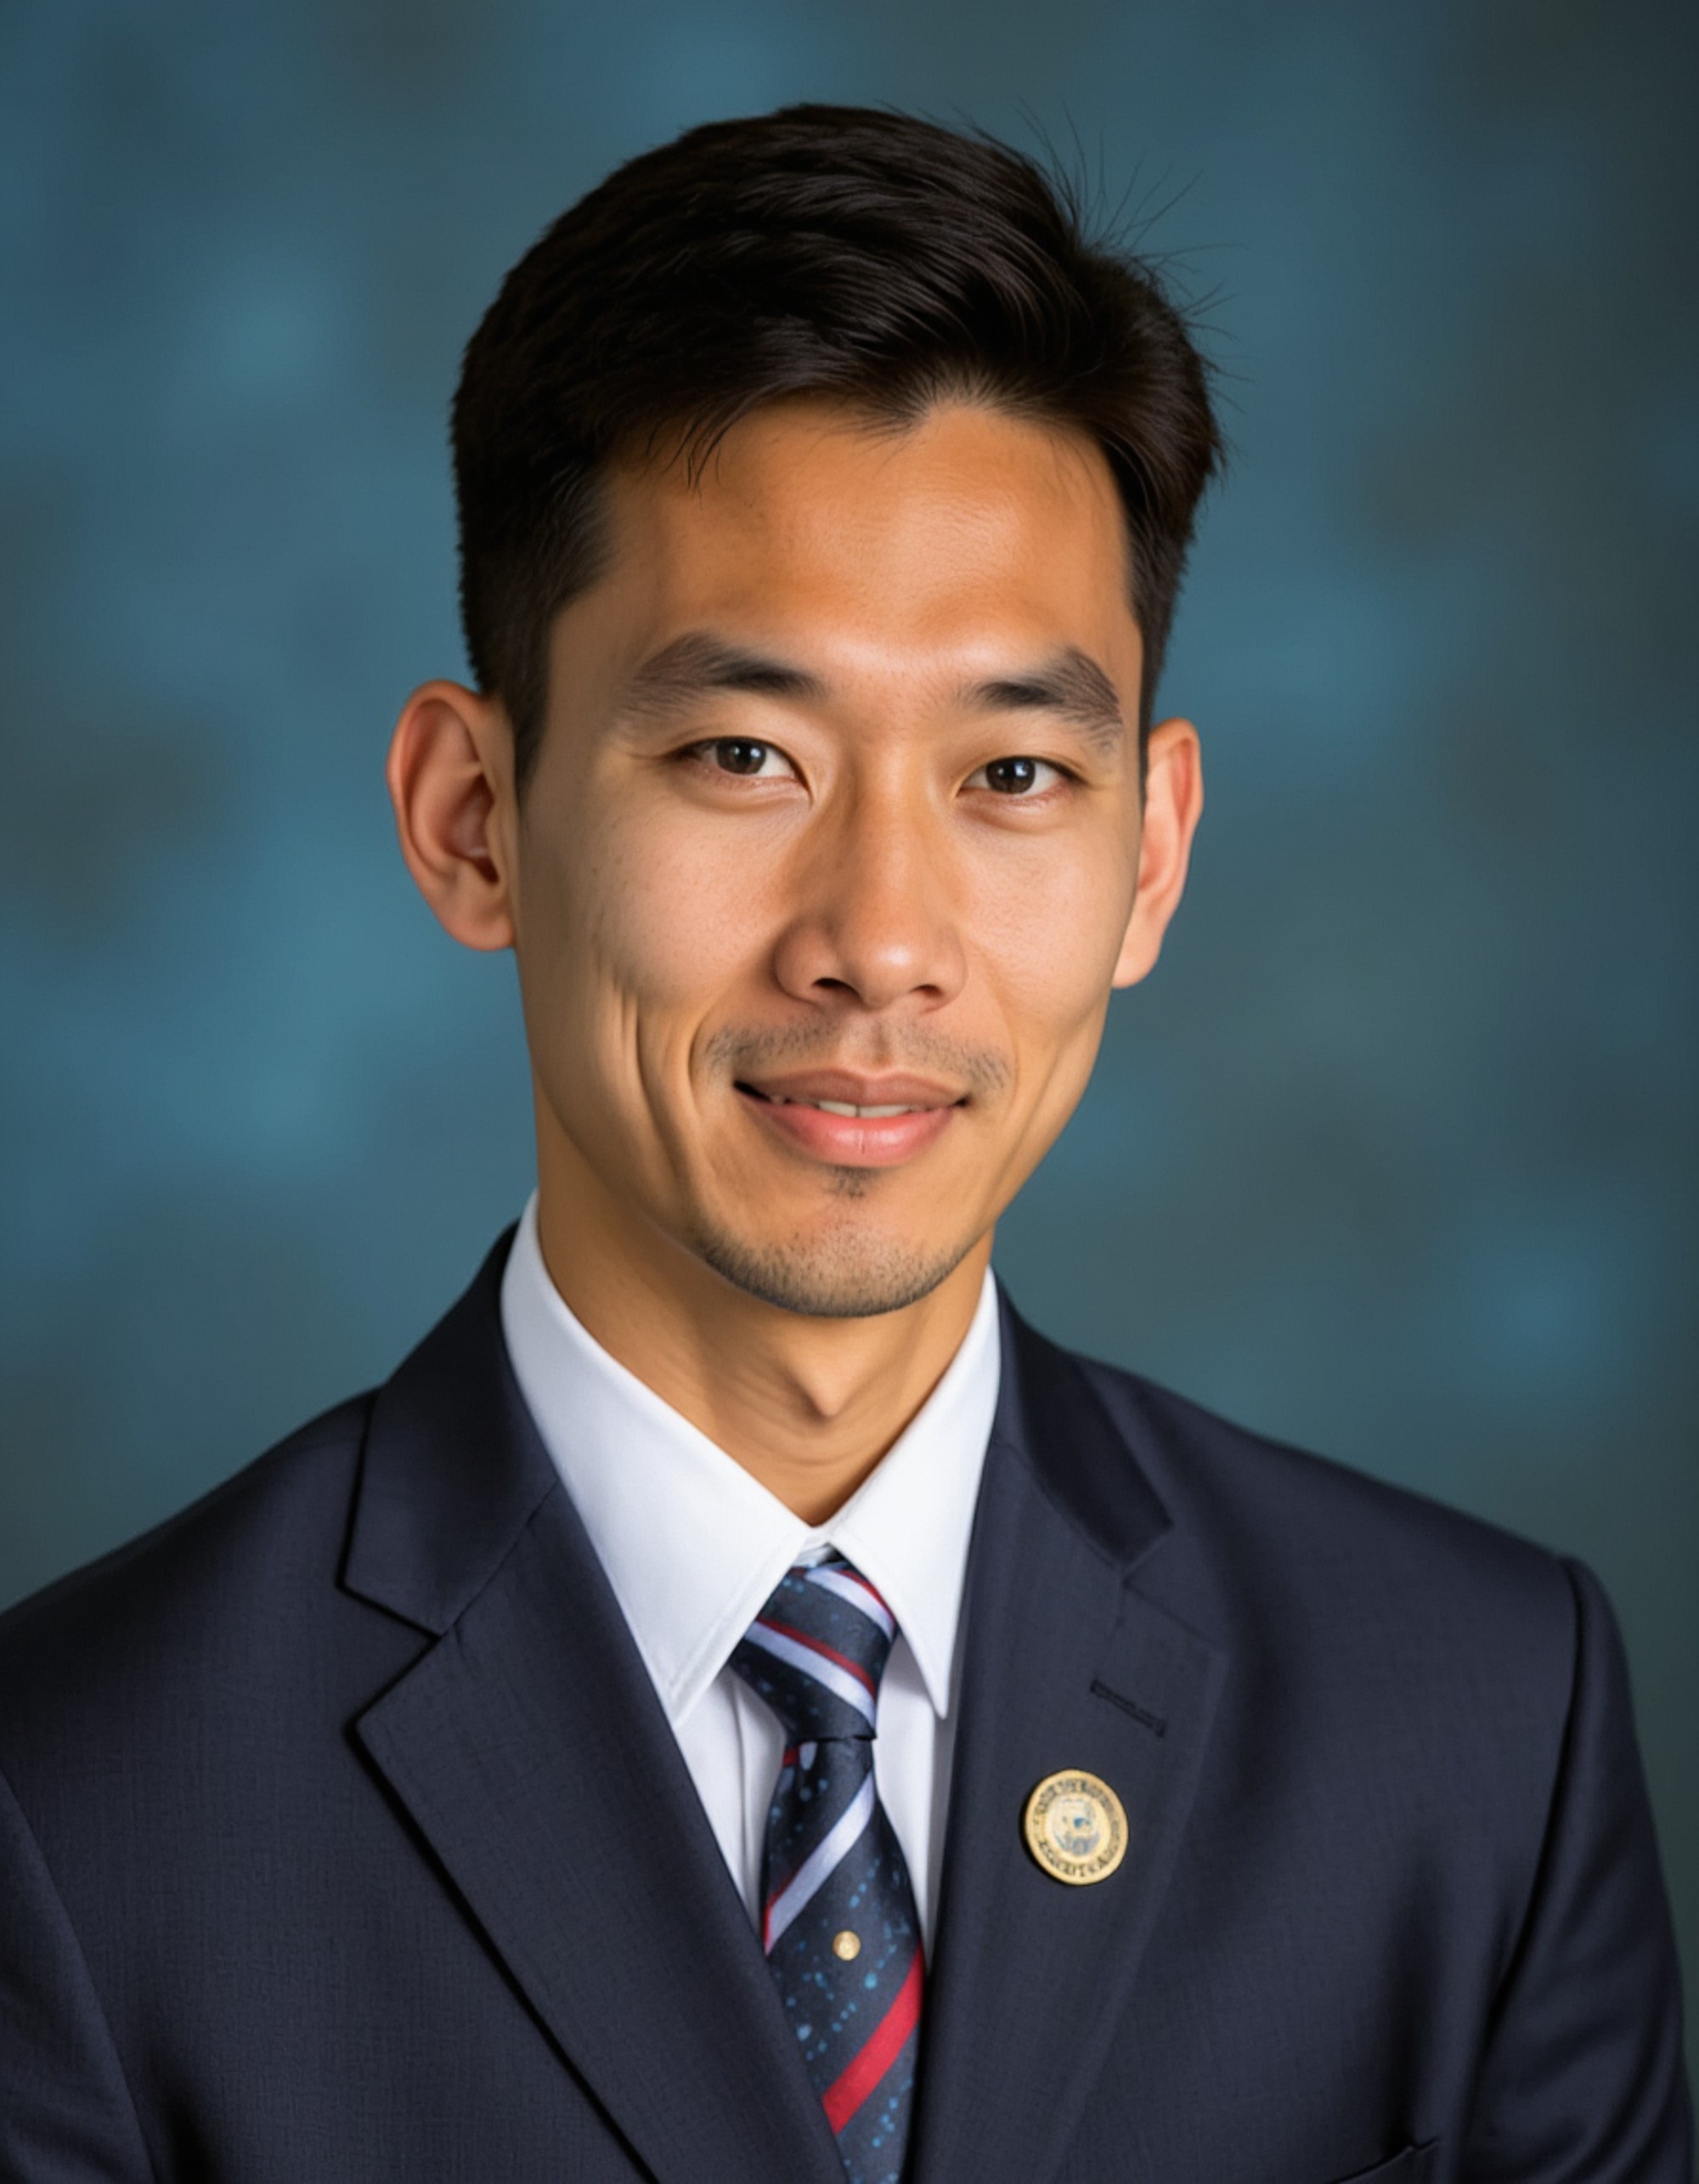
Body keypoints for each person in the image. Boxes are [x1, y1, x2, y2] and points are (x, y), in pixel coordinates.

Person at [0, 104, 1687, 2184]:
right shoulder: (71, 1807)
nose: (881, 940)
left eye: (1009, 771)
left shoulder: (1477, 1725)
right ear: (472, 816)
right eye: (740, 752)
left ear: (1150, 852)